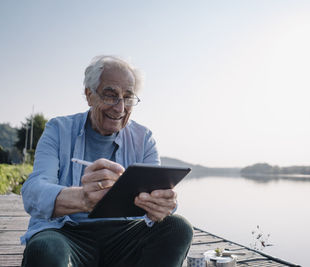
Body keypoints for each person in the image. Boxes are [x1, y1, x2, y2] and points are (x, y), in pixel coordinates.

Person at [21, 55, 193, 267]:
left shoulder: (144, 138)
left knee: (178, 227)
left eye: (128, 98)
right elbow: (33, 191)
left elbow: (157, 196)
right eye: (110, 96)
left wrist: (162, 206)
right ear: (89, 95)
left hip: (125, 235)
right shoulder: (58, 130)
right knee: (44, 248)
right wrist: (83, 198)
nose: (120, 108)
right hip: (66, 232)